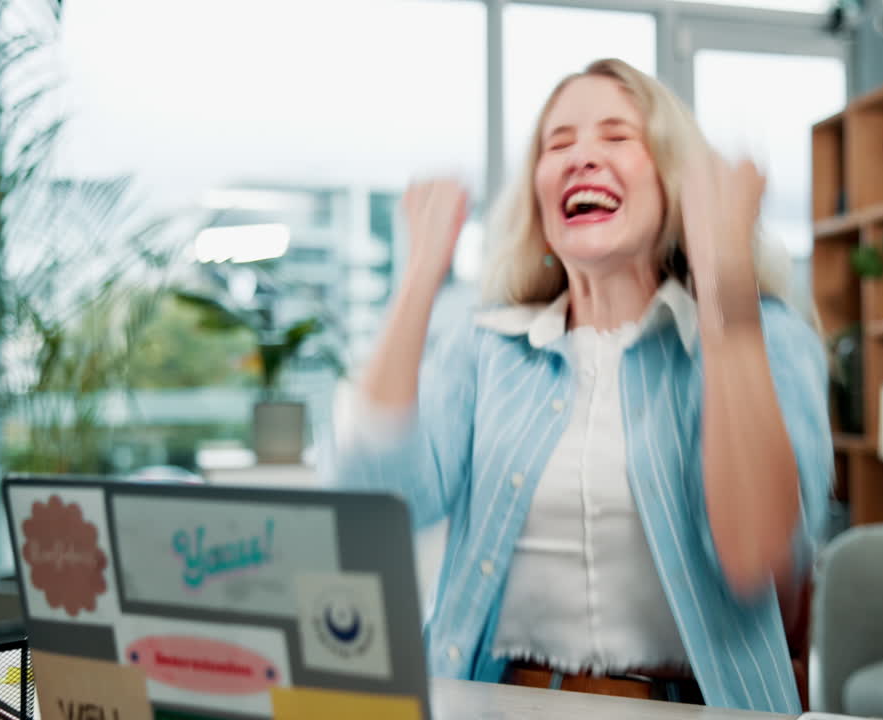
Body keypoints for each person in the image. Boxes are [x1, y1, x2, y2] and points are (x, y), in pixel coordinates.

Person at [337, 58, 831, 713]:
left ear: (676, 181)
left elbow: (755, 554)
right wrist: (420, 275)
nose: (582, 159)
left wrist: (724, 286)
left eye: (618, 137)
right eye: (558, 144)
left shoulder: (767, 336)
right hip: (495, 701)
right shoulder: (487, 348)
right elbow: (374, 505)